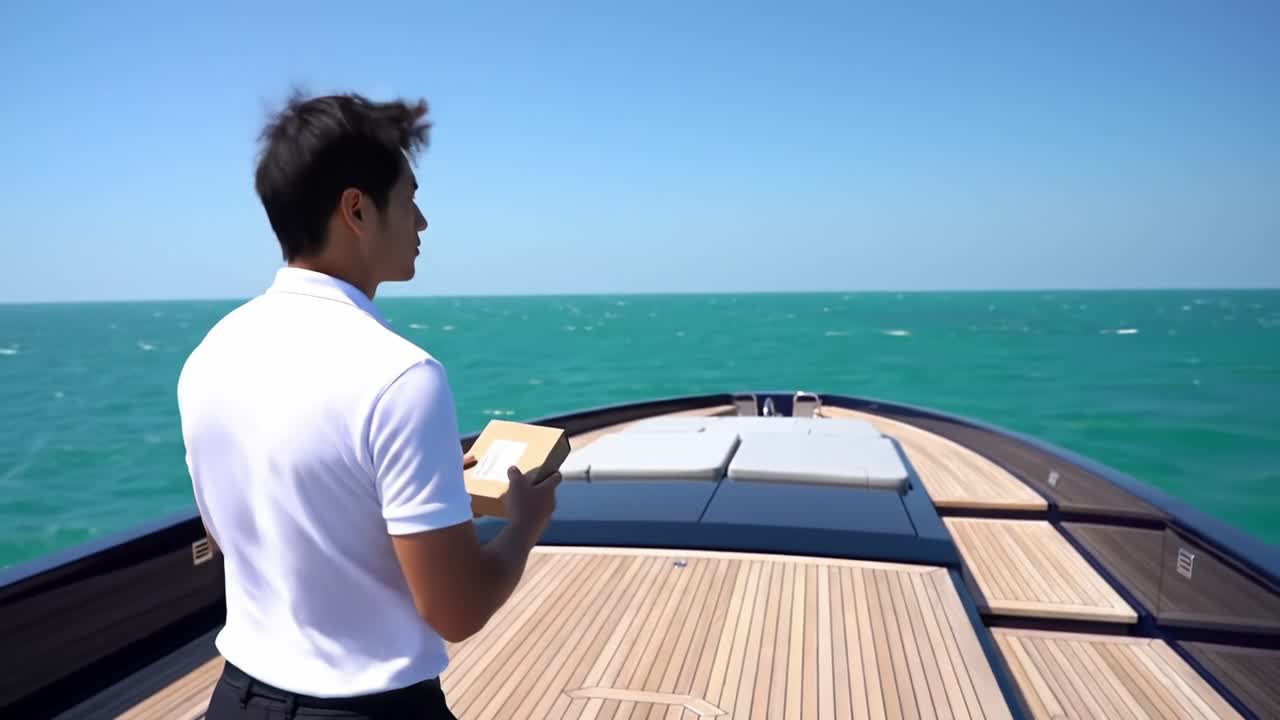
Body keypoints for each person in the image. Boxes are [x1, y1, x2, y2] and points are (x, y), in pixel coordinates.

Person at [177, 92, 561, 719]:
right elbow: (457, 610)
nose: (422, 222)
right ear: (357, 209)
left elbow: (240, 531)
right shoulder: (402, 377)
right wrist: (525, 524)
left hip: (236, 700)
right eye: (410, 198)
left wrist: (421, 494)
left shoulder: (208, 356)